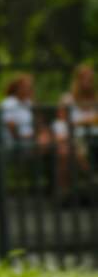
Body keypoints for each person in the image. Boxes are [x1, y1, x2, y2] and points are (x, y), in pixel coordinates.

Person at [55, 63, 98, 201]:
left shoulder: (96, 98)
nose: (88, 82)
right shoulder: (67, 98)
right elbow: (61, 121)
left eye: (90, 78)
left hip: (94, 135)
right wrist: (84, 122)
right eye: (84, 78)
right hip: (75, 136)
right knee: (68, 150)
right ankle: (90, 178)